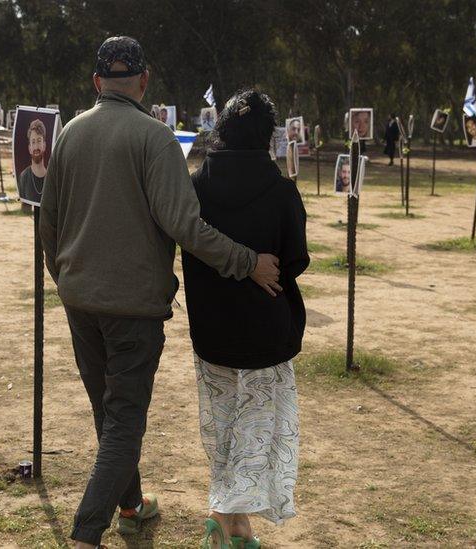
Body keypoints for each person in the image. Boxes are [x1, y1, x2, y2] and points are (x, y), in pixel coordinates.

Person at [39, 36, 281, 549]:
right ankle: (85, 537)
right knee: (123, 422)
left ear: (97, 83)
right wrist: (248, 262)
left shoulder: (69, 135)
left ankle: (131, 506)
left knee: (109, 415)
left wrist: (65, 278)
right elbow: (185, 226)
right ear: (145, 82)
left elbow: (49, 221)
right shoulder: (156, 138)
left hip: (80, 299)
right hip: (133, 308)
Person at [183, 88, 307, 549]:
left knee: (221, 426)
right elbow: (294, 261)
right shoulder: (281, 191)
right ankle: (222, 517)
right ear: (267, 137)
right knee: (255, 430)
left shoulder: (193, 187)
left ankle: (235, 525)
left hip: (212, 330)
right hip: (264, 333)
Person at [17, 118, 47, 203]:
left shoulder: (51, 177)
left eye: (39, 141)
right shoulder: (24, 177)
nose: (36, 147)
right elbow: (25, 210)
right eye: (33, 142)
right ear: (29, 148)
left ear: (44, 145)